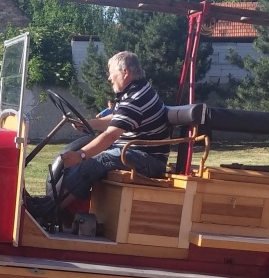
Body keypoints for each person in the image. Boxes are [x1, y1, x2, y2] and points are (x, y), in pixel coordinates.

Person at [25, 51, 170, 228]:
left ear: (125, 72)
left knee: (95, 160)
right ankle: (49, 203)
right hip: (134, 152)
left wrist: (81, 155)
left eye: (111, 73)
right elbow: (116, 118)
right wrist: (88, 124)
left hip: (148, 159)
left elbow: (111, 135)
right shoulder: (134, 91)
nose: (109, 78)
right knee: (90, 154)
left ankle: (48, 212)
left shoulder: (136, 98)